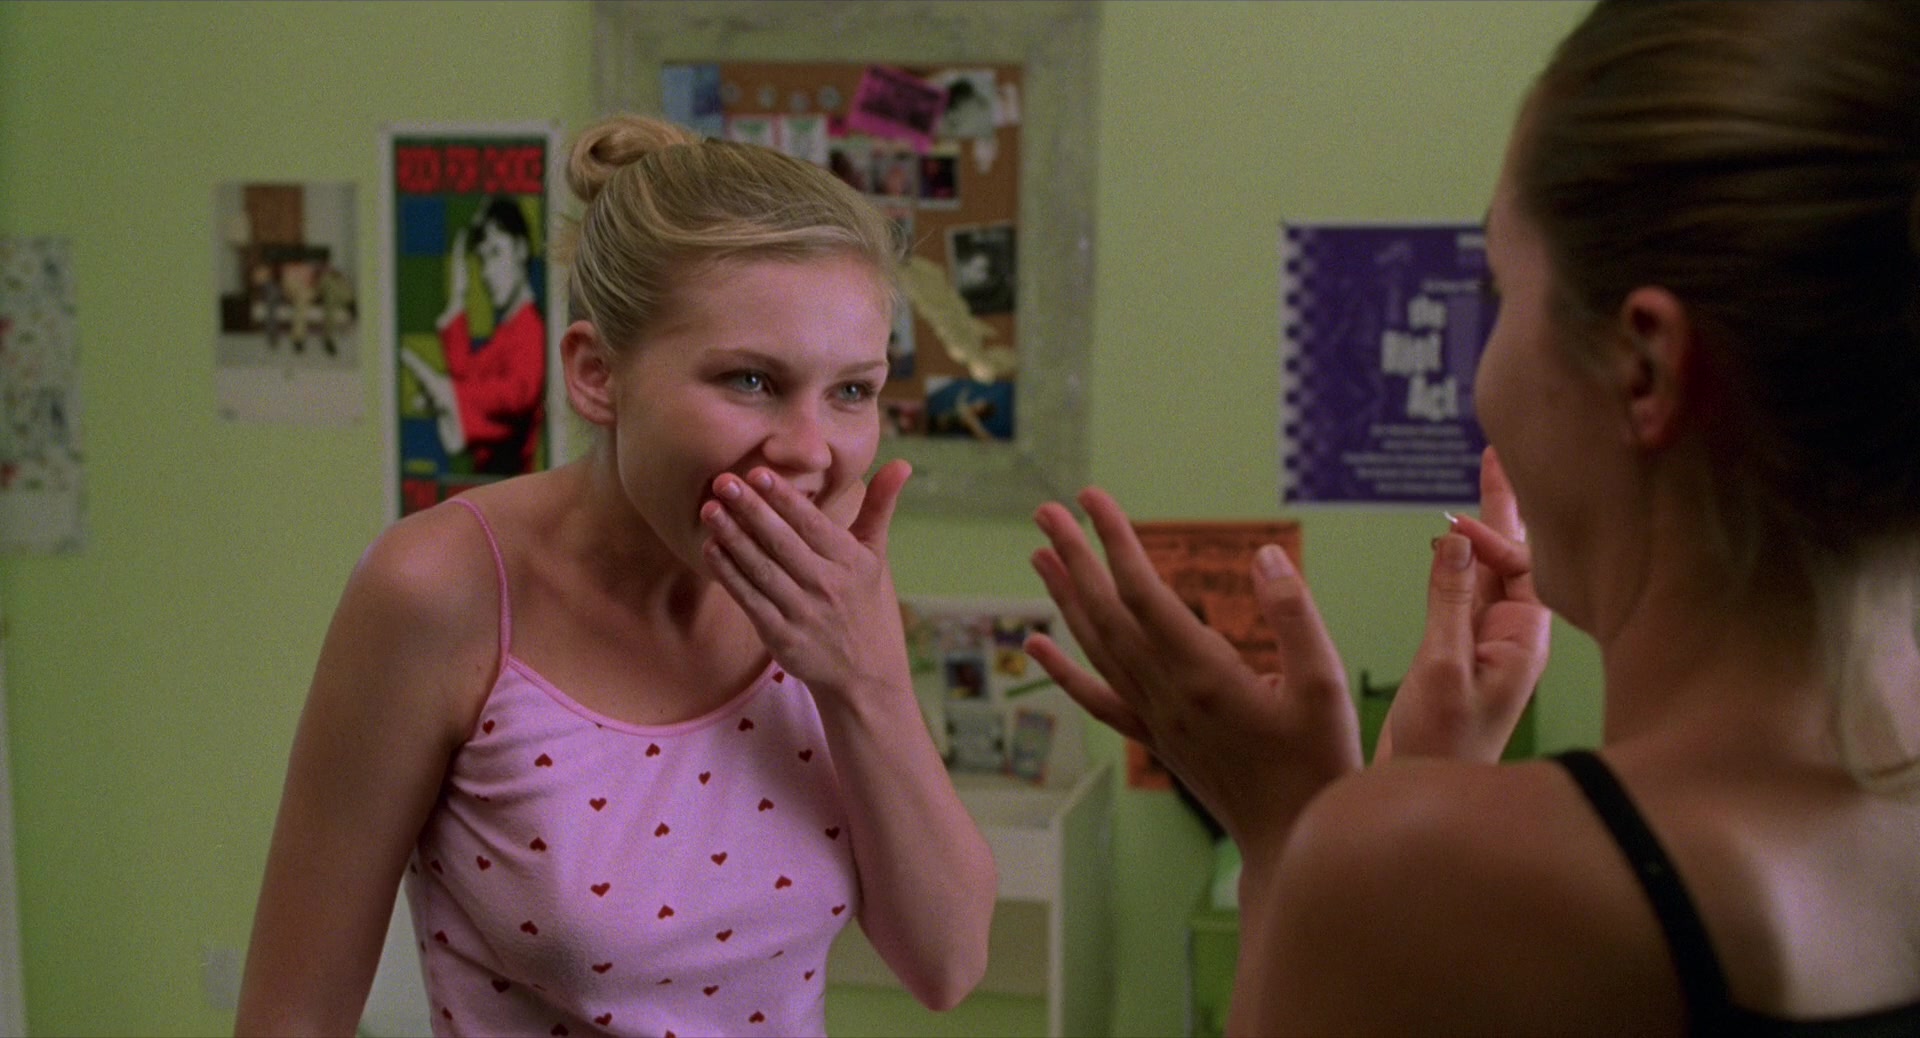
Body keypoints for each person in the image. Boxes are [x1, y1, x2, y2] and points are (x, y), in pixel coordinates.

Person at [1022, 2, 1920, 1034]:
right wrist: (1424, 786)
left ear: (1645, 368)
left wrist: (1291, 830)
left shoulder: (1443, 882)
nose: (1482, 373)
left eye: (1500, 292)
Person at [236, 114, 997, 1037]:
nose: (810, 451)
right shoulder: (439, 590)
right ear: (597, 373)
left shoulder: (827, 594)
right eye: (751, 380)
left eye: (852, 391)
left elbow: (947, 965)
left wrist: (866, 679)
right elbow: (292, 1016)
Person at [433, 196, 547, 475]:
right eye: (482, 259)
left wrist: (451, 394)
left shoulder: (530, 330)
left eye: (496, 253)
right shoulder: (507, 333)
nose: (486, 272)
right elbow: (468, 374)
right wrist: (458, 297)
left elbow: (518, 394)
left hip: (514, 488)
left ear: (521, 249)